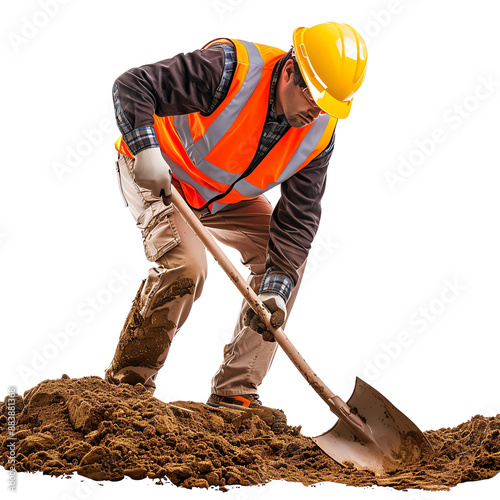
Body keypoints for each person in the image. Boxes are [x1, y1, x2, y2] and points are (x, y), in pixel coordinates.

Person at [104, 22, 367, 429]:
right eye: (314, 96)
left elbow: (297, 221)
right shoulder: (230, 69)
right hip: (160, 174)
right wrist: (144, 147)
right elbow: (132, 85)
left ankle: (235, 395)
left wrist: (276, 293)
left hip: (222, 199)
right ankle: (127, 391)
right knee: (186, 265)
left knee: (282, 266)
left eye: (329, 105)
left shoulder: (319, 133)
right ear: (290, 70)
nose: (318, 111)